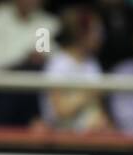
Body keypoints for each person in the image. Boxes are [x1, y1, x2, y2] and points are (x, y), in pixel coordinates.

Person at [41, 3, 108, 131]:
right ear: (81, 33)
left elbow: (98, 108)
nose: (100, 37)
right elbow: (59, 110)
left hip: (93, 134)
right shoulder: (58, 63)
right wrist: (89, 93)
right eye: (96, 31)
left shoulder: (92, 63)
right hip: (63, 135)